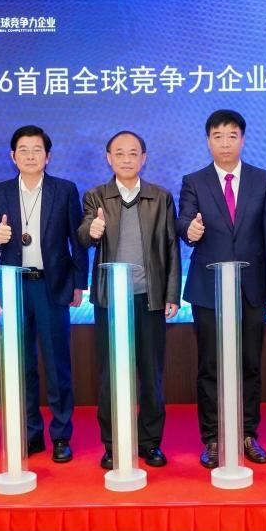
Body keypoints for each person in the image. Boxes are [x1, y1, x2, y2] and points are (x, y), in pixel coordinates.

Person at [177, 109, 266, 469]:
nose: (225, 143)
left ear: (243, 139)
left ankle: (247, 434)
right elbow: (184, 220)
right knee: (210, 365)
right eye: (218, 136)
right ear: (208, 141)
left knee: (249, 363)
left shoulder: (262, 180)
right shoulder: (194, 181)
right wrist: (189, 231)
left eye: (232, 135)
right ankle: (212, 437)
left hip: (252, 288)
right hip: (208, 289)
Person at [76, 131, 181, 469]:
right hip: (111, 301)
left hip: (149, 299)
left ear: (143, 158)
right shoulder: (95, 196)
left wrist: (171, 294)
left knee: (151, 376)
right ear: (108, 158)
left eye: (133, 153)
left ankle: (150, 443)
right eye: (119, 153)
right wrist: (92, 231)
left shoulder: (160, 197)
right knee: (111, 377)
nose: (126, 159)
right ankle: (114, 444)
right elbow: (84, 234)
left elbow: (171, 247)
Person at [0, 125, 88, 464]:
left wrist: (79, 283)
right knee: (22, 364)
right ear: (12, 156)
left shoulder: (65, 190)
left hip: (52, 286)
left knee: (58, 364)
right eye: (24, 150)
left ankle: (61, 435)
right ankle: (30, 433)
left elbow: (77, 239)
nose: (30, 156)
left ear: (48, 156)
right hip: (14, 286)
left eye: (37, 150)